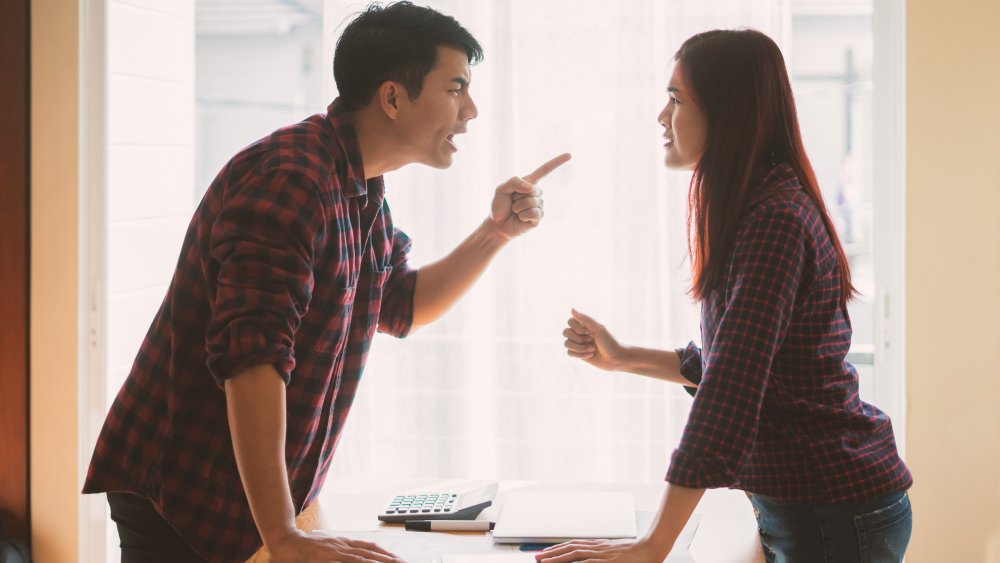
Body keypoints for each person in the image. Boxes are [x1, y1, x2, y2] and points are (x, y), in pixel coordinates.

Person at [83, 2, 570, 562]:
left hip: (255, 495)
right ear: (392, 97)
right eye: (456, 87)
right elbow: (251, 359)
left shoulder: (359, 184)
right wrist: (284, 536)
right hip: (188, 486)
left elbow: (401, 305)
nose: (472, 110)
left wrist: (496, 232)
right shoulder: (292, 179)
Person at [546, 29, 912, 563]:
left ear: (729, 112)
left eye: (675, 99)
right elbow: (736, 366)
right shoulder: (756, 208)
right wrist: (622, 356)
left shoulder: (774, 221)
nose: (660, 117)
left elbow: (730, 394)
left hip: (833, 510)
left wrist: (652, 546)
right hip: (814, 506)